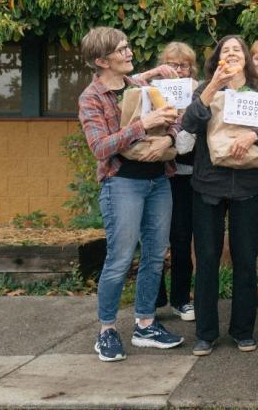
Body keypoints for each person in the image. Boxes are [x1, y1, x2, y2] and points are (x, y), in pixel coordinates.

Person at [78, 27, 184, 362]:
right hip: (122, 182)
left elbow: (175, 123)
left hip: (159, 180)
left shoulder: (140, 87)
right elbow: (100, 147)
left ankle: (145, 325)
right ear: (101, 60)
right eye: (121, 50)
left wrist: (169, 136)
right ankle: (106, 330)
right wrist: (143, 124)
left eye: (127, 47)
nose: (128, 53)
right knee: (120, 259)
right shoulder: (91, 98)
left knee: (155, 256)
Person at [183, 35, 258, 356]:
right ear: (217, 60)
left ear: (246, 59)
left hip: (248, 185)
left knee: (245, 258)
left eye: (236, 50)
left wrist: (256, 134)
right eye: (225, 51)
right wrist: (213, 87)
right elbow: (189, 123)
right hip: (207, 185)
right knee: (208, 259)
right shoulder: (204, 91)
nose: (231, 54)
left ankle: (242, 330)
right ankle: (206, 333)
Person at [153, 41, 200, 322]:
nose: (178, 69)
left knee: (182, 238)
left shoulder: (198, 92)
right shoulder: (153, 92)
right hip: (159, 174)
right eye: (172, 64)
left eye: (183, 65)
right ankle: (154, 298)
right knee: (154, 239)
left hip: (187, 175)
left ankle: (181, 299)